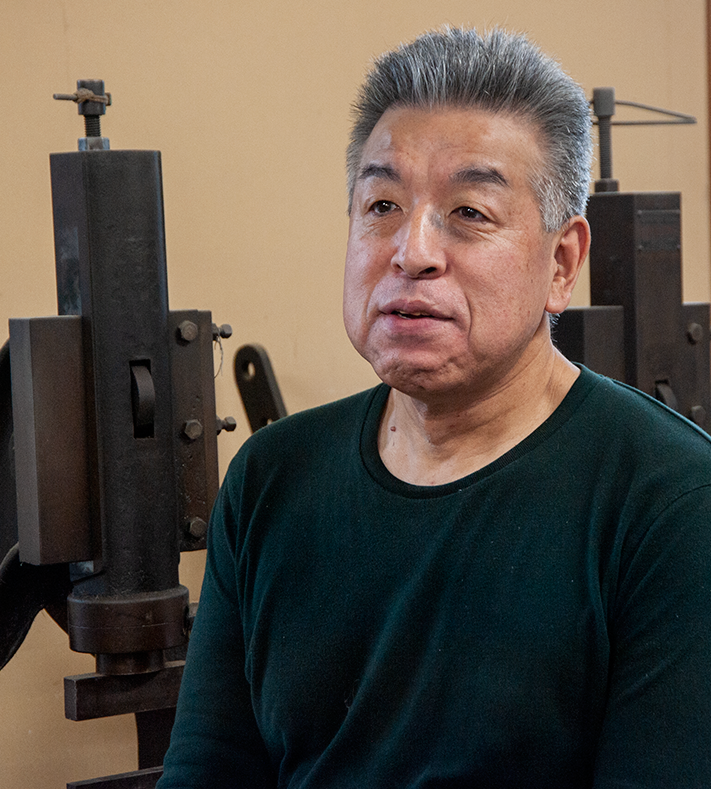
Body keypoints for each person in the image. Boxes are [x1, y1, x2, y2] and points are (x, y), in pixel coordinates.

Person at [158, 28, 711, 788]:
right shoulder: (269, 479)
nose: (411, 251)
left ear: (561, 264)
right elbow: (206, 768)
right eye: (382, 204)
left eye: (470, 212)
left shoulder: (672, 504)